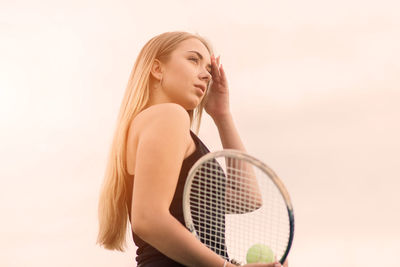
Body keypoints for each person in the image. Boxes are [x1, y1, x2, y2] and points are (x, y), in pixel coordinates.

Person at [97, 31, 288, 267]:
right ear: (157, 69)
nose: (205, 75)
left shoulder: (156, 124)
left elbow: (246, 198)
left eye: (208, 68)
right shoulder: (169, 115)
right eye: (193, 60)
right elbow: (147, 219)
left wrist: (222, 114)